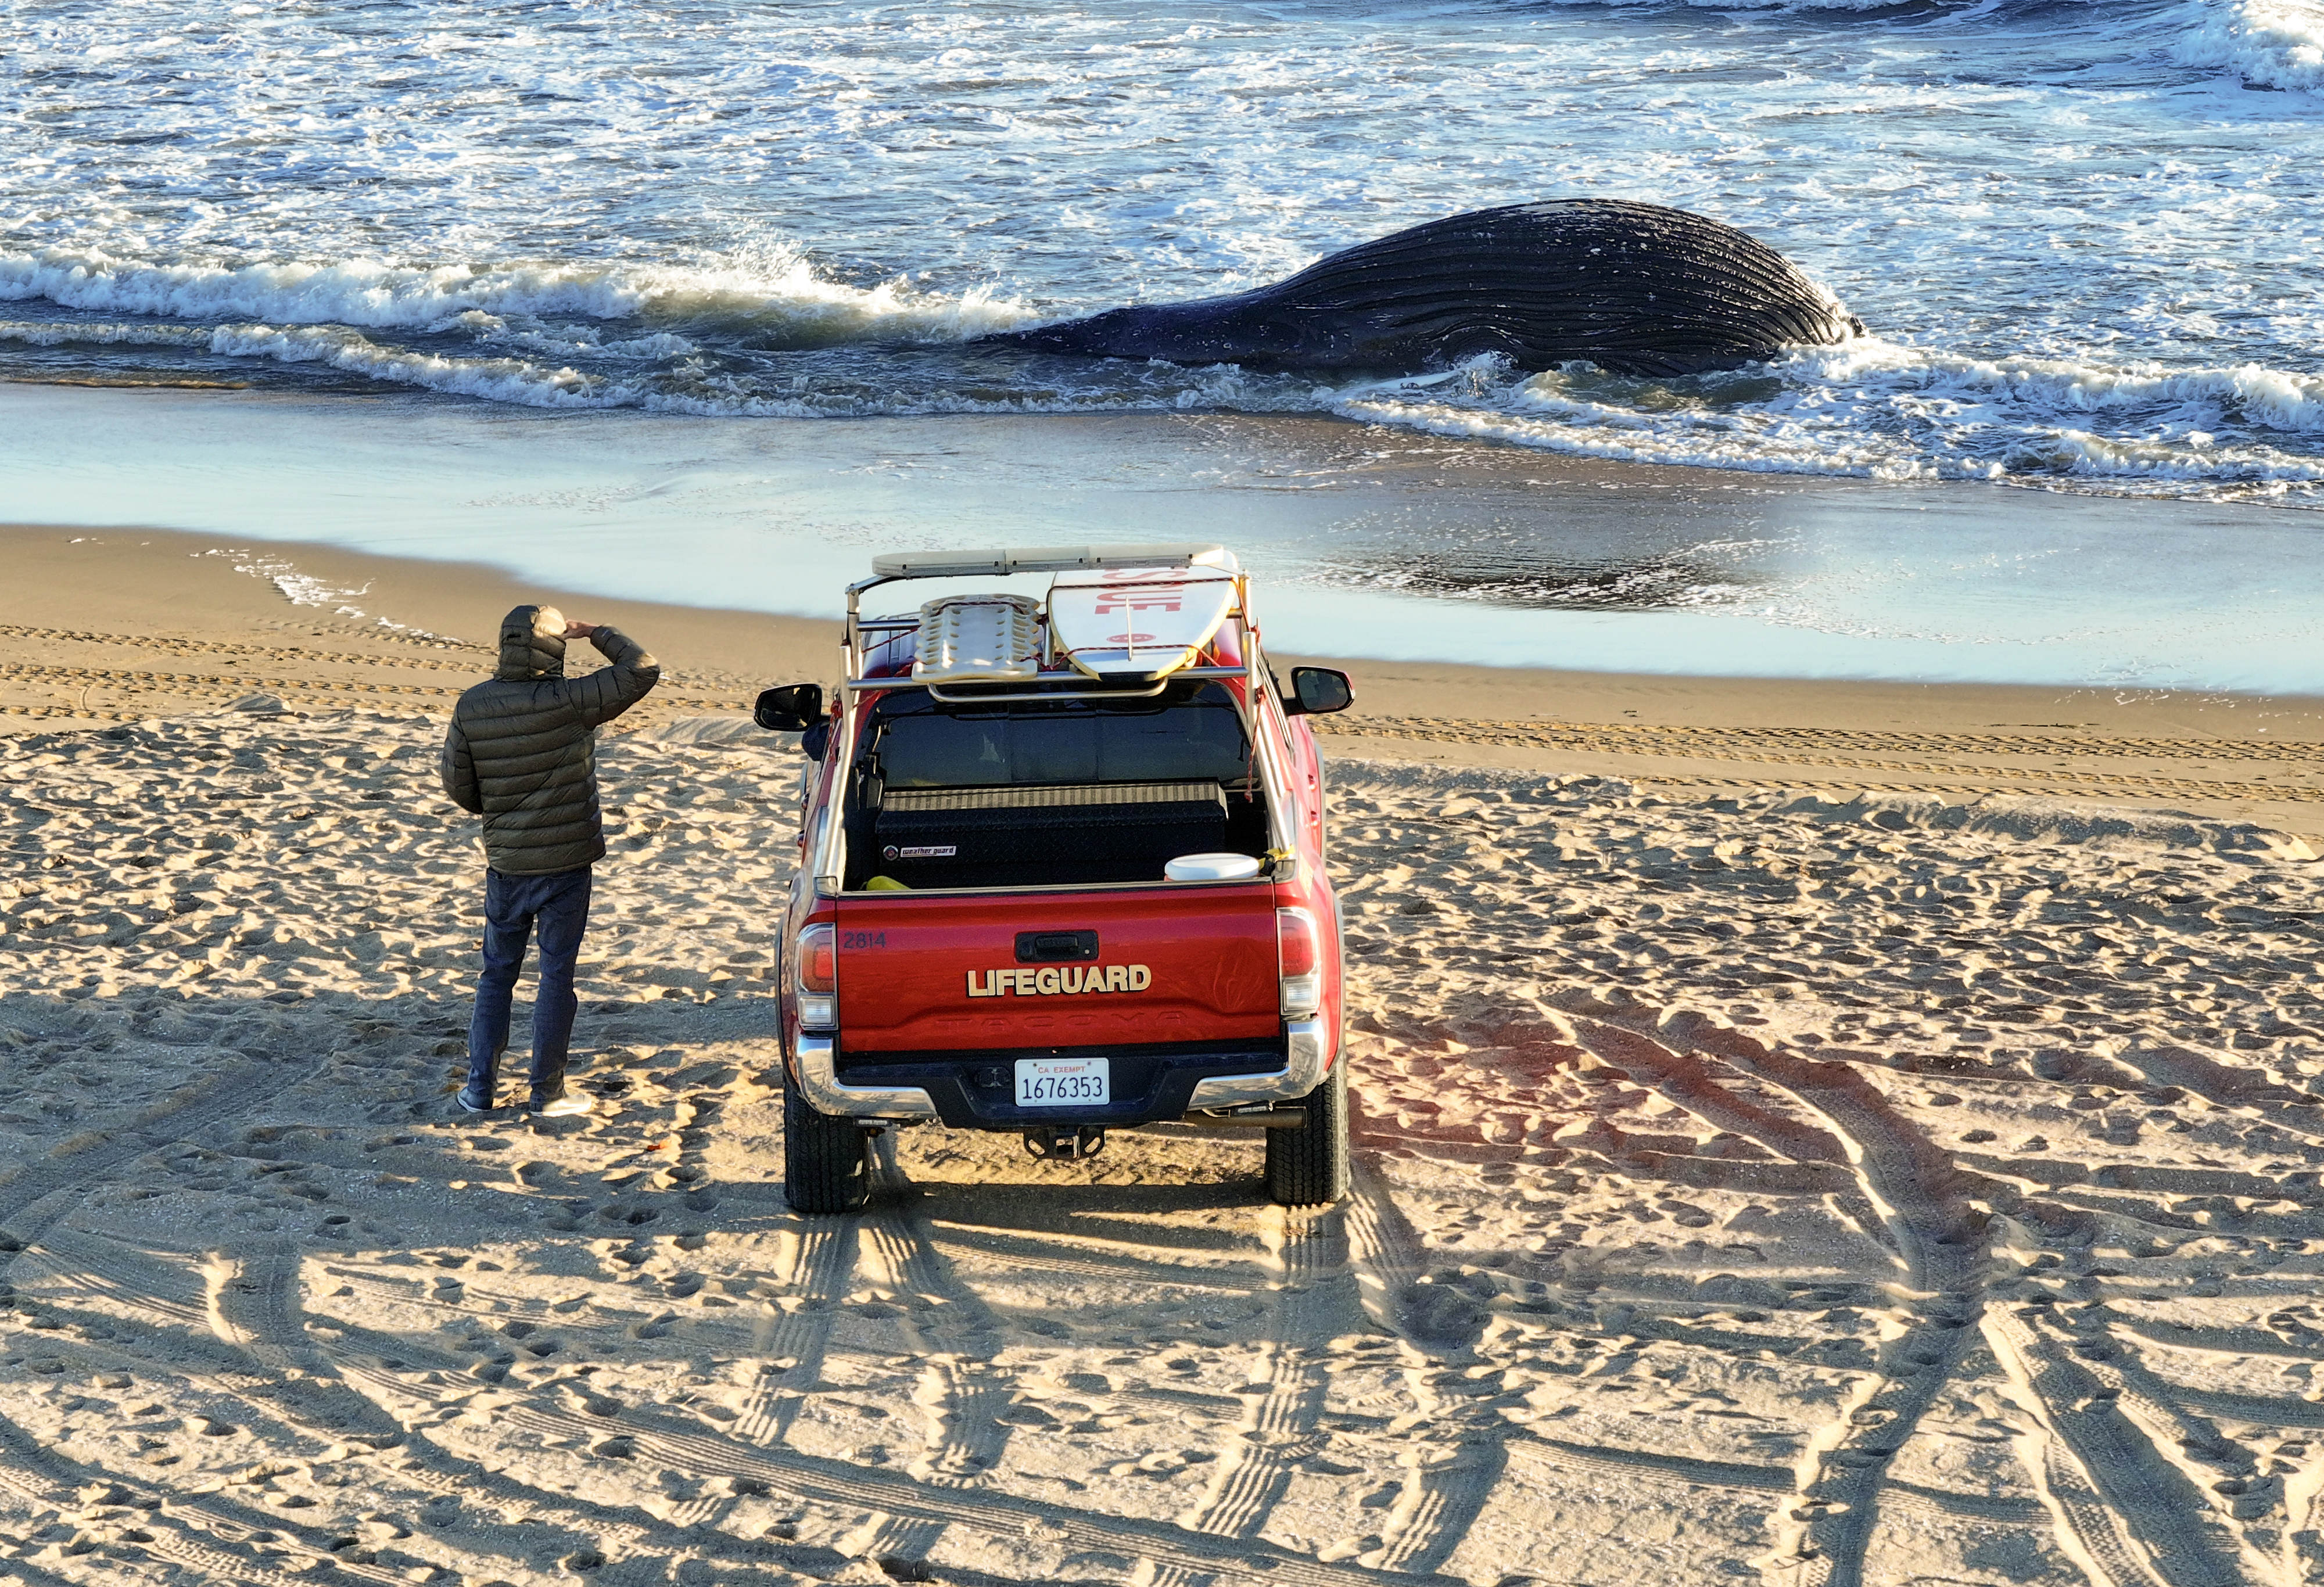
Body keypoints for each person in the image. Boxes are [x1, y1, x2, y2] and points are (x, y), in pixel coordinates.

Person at [440, 604, 659, 1116]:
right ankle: (546, 1092)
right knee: (556, 975)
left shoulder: (473, 705)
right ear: (554, 647)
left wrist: (502, 809)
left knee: (496, 974)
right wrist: (597, 633)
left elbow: (460, 786)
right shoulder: (571, 700)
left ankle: (479, 1089)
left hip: (508, 862)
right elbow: (643, 668)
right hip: (566, 864)